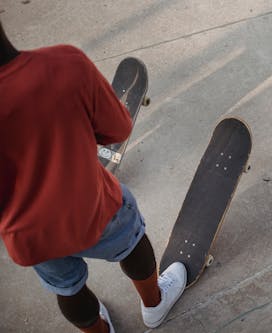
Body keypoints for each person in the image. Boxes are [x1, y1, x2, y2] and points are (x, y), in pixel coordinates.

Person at [0, 21, 186, 332]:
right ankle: (154, 304)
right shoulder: (64, 65)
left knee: (68, 289)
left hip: (30, 236)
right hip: (94, 206)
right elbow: (118, 129)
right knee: (132, 242)